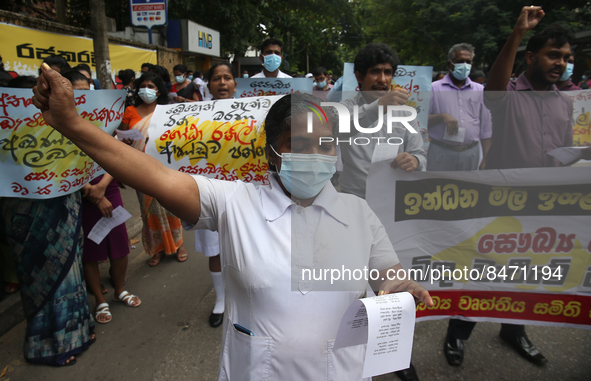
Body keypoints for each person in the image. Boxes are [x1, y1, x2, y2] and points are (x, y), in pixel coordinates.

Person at [33, 64, 433, 379]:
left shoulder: (357, 212)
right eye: (300, 145)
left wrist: (401, 288)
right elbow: (150, 174)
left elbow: (387, 275)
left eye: (325, 145)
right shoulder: (233, 202)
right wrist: (72, 123)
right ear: (273, 153)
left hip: (344, 371)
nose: (317, 155)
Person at [459, 6, 588, 367]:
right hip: (498, 203)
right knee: (482, 269)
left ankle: (514, 330)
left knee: (526, 270)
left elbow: (564, 155)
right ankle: (458, 331)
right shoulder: (510, 93)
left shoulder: (569, 104)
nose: (561, 62)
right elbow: (494, 90)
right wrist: (517, 33)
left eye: (567, 57)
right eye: (553, 54)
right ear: (531, 57)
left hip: (540, 206)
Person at [1, 67, 95, 366]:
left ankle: (79, 329)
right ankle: (48, 343)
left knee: (71, 270)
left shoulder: (62, 124)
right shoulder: (7, 129)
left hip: (64, 206)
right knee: (39, 276)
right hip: (23, 214)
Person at [339, 43, 426, 199]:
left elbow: (420, 155)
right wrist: (379, 106)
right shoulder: (345, 109)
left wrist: (415, 161)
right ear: (359, 76)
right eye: (375, 72)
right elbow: (339, 128)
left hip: (394, 197)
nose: (383, 79)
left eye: (388, 72)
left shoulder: (405, 112)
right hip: (354, 198)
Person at [119, 73, 188, 266]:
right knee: (147, 210)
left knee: (171, 207)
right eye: (143, 86)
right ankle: (156, 249)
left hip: (165, 165)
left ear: (159, 90)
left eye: (151, 86)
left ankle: (179, 245)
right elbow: (122, 139)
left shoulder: (167, 111)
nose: (146, 90)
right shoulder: (130, 111)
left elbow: (178, 136)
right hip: (139, 167)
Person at [193, 63, 240, 328]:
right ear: (208, 85)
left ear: (235, 83)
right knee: (215, 249)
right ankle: (221, 300)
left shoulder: (253, 113)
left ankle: (246, 296)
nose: (222, 82)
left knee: (247, 245)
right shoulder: (196, 115)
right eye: (216, 78)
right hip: (209, 191)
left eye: (227, 78)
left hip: (244, 190)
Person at [427, 43, 492, 172]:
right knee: (437, 189)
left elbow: (486, 128)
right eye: (460, 61)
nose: (464, 65)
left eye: (468, 62)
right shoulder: (433, 88)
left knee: (468, 190)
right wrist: (442, 116)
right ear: (449, 64)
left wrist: (486, 158)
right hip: (440, 152)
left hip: (471, 153)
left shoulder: (480, 90)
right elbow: (420, 120)